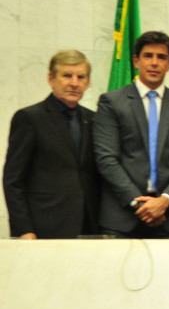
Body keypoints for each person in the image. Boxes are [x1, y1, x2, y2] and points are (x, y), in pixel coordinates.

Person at [93, 31, 169, 238]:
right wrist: (139, 203)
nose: (154, 63)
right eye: (148, 56)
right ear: (136, 61)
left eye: (161, 57)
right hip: (121, 219)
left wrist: (164, 201)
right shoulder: (112, 102)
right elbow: (107, 159)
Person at [3, 50, 100, 239]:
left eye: (80, 77)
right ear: (51, 79)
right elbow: (13, 180)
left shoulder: (94, 119)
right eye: (67, 76)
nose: (74, 83)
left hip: (88, 228)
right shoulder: (30, 118)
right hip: (44, 229)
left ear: (87, 82)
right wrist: (24, 229)